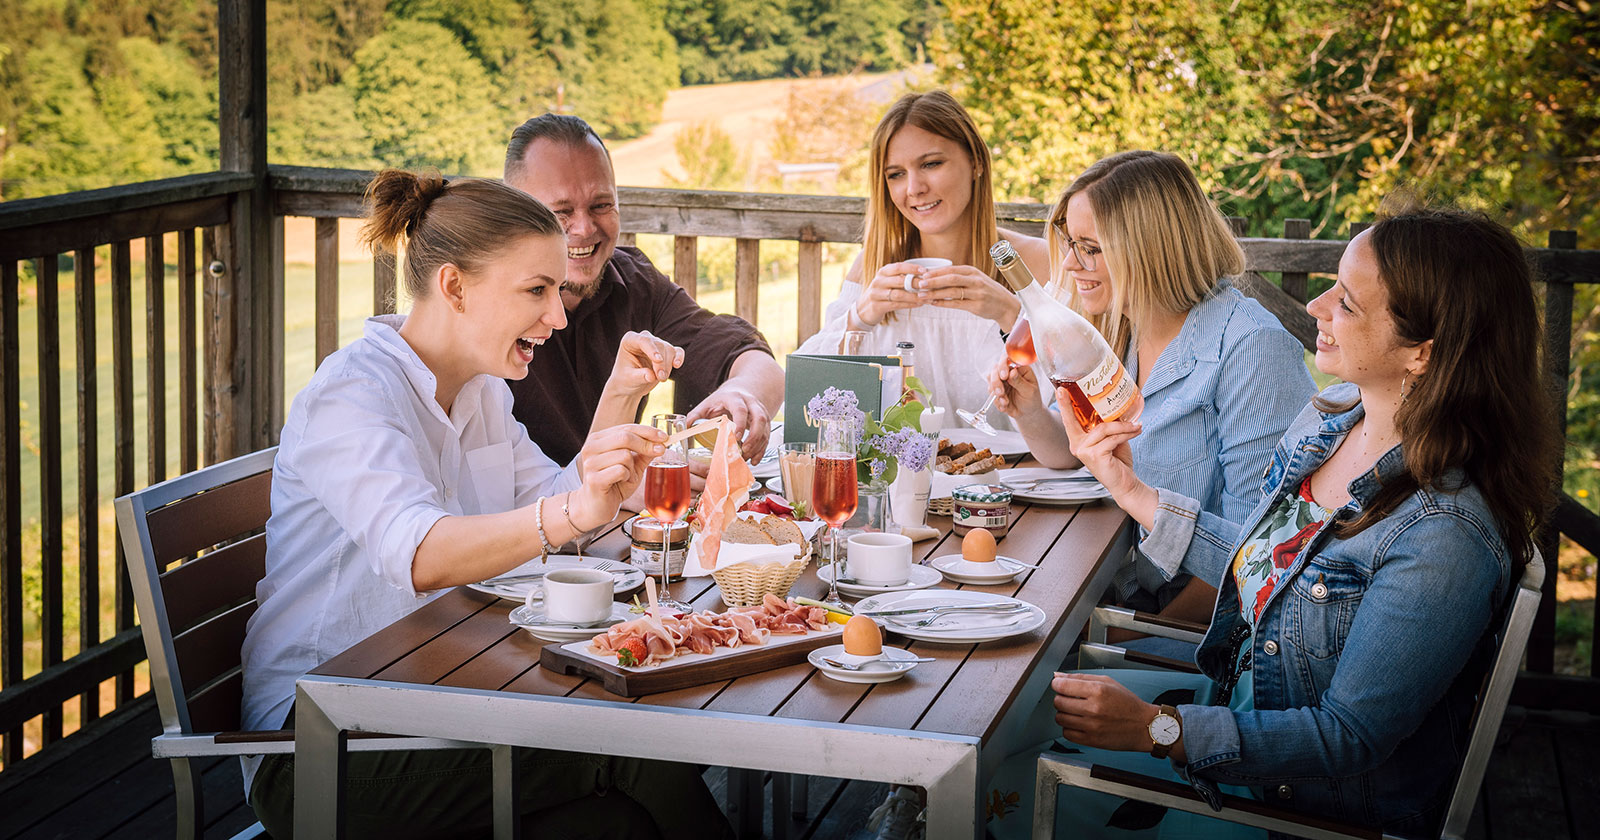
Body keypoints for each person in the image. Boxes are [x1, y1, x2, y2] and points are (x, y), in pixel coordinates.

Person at [987, 205, 1558, 839]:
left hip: (1286, 804)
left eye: (1347, 302)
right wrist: (1129, 488)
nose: (1316, 306)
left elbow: (1348, 737)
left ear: (1421, 353)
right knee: (1004, 722)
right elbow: (1267, 564)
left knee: (999, 786)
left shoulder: (1444, 532)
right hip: (1231, 703)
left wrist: (1157, 728)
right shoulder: (1333, 420)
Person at [240, 170, 733, 839]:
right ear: (455, 287)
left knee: (619, 819)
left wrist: (621, 405)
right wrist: (579, 508)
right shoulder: (352, 395)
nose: (558, 316)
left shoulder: (481, 392)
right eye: (536, 290)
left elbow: (555, 503)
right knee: (633, 743)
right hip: (320, 744)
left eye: (556, 291)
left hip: (437, 693)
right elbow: (421, 553)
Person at [989, 151, 1313, 626]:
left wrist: (1127, 643)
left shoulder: (1252, 348)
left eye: (1090, 248)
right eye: (1070, 242)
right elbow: (1079, 452)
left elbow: (1253, 556)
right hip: (1120, 588)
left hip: (1192, 629)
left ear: (1150, 249)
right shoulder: (1122, 323)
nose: (1071, 264)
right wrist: (1029, 412)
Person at [502, 114, 784, 471]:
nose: (585, 228)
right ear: (515, 214)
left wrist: (740, 394)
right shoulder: (487, 305)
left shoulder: (634, 281)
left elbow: (749, 357)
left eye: (601, 205)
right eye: (561, 211)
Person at [794, 90, 1050, 430]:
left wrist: (1010, 314)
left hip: (1022, 465)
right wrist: (861, 316)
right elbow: (803, 400)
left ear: (976, 161)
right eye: (896, 174)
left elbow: (1072, 395)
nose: (914, 188)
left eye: (931, 164)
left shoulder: (1036, 263)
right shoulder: (874, 267)